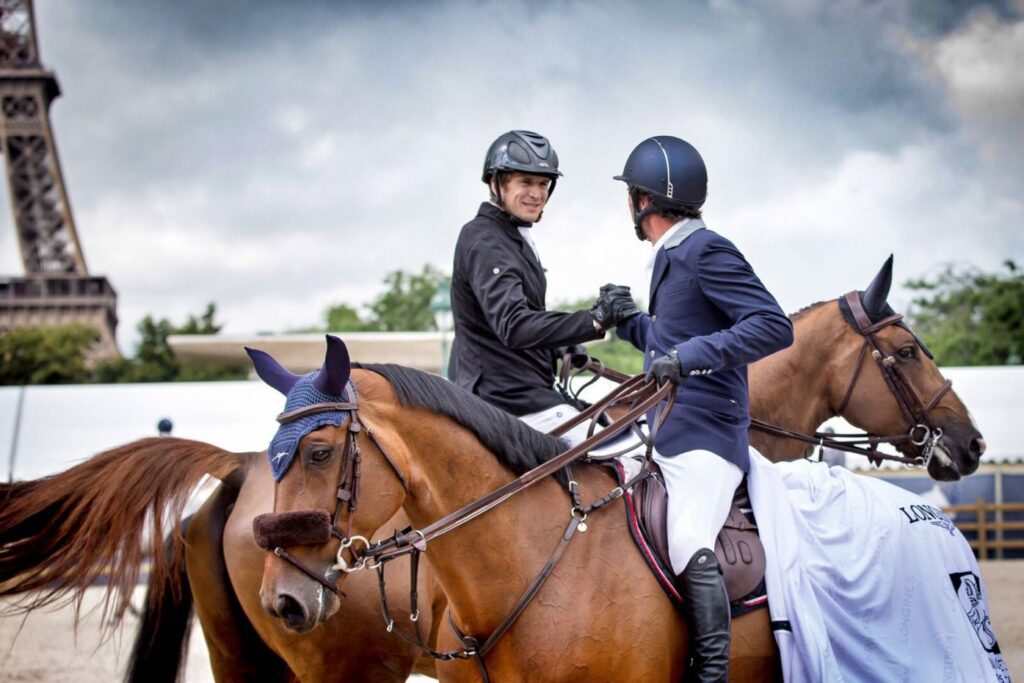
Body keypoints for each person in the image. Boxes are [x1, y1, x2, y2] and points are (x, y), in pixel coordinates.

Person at [608, 136, 794, 681]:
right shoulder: (671, 258)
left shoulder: (706, 249)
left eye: (631, 197)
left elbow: (771, 326)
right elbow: (674, 344)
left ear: (641, 201)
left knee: (689, 538)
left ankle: (710, 673)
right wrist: (627, 323)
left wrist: (688, 356)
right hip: (667, 426)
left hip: (708, 432)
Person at [449, 130, 639, 443]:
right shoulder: (486, 241)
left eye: (543, 183)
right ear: (496, 183)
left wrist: (559, 343)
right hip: (505, 401)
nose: (537, 193)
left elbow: (511, 322)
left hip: (525, 392)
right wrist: (594, 319)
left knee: (621, 428)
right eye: (526, 182)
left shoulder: (510, 237)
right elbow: (514, 325)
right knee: (629, 450)